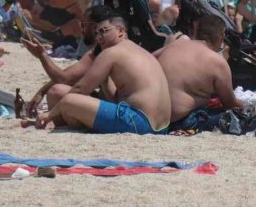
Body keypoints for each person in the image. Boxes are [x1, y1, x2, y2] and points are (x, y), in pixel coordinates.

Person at [31, 14, 171, 134]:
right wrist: (104, 80)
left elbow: (80, 89)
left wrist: (50, 114)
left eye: (103, 31)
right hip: (161, 128)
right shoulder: (140, 52)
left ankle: (52, 120)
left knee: (69, 101)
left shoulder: (111, 52)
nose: (99, 37)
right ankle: (58, 121)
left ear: (121, 31)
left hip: (138, 121)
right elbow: (115, 99)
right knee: (57, 91)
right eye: (97, 33)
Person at [20, 5, 115, 116]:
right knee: (61, 91)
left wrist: (42, 55)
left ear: (94, 27)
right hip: (116, 106)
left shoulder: (105, 51)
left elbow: (63, 79)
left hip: (115, 112)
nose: (81, 29)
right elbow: (69, 76)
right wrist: (41, 92)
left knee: (56, 92)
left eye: (83, 24)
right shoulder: (104, 47)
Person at [156, 14, 244, 131]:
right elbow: (230, 104)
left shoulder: (175, 45)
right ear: (221, 37)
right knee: (243, 118)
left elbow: (149, 57)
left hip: (155, 117)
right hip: (182, 121)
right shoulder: (217, 62)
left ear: (196, 31)